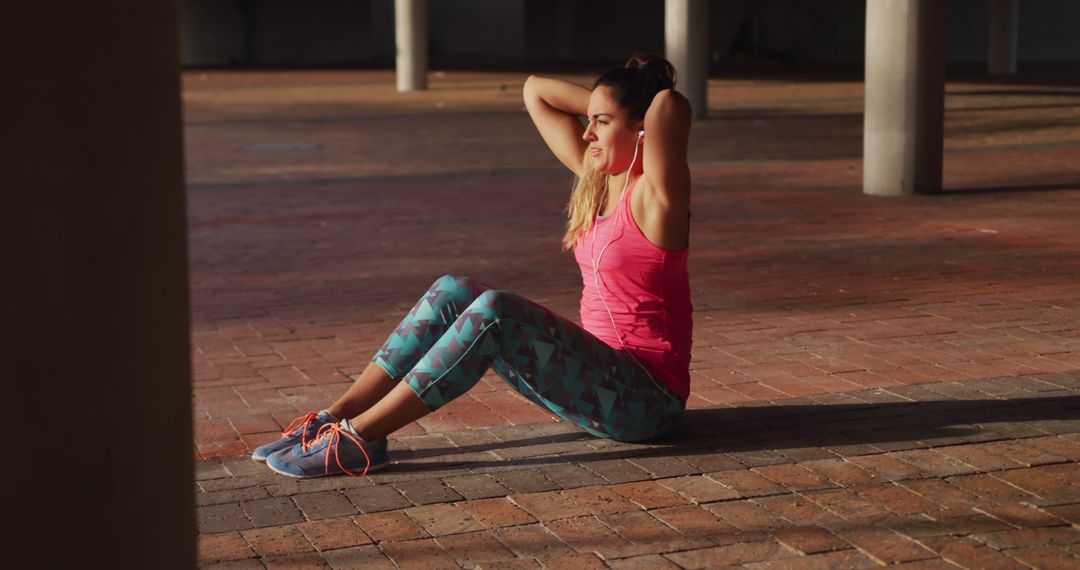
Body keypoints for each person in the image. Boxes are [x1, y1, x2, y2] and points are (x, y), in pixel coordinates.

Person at [255, 54, 694, 478]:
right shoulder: (597, 179)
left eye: (600, 123)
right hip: (598, 384)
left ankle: (359, 440)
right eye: (588, 121)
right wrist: (608, 105)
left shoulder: (656, 199)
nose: (586, 135)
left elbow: (668, 104)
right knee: (453, 289)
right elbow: (535, 91)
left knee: (496, 311)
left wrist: (633, 99)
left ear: (641, 129)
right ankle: (338, 418)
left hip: (646, 402)